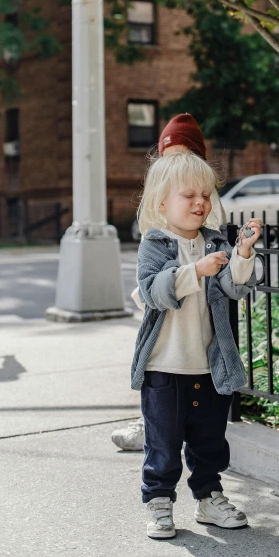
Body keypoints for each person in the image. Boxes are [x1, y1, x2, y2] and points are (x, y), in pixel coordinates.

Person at [131, 150, 261, 538]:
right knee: (163, 445)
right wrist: (194, 271)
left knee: (209, 442)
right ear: (162, 203)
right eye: (189, 195)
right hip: (164, 367)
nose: (200, 203)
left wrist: (243, 252)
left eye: (205, 195)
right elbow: (152, 291)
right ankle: (159, 503)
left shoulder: (215, 242)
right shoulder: (154, 244)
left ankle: (209, 498)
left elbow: (235, 287)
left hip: (209, 365)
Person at [111, 114, 227, 452]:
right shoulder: (161, 211)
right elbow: (152, 277)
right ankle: (150, 421)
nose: (173, 165)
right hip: (166, 310)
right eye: (167, 158)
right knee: (158, 363)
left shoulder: (205, 208)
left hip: (201, 316)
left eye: (181, 156)